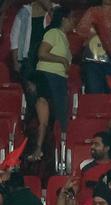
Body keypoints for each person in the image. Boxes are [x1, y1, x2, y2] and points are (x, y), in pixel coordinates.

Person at [29, 6, 73, 162]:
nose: (73, 21)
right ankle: (39, 149)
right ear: (64, 19)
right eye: (71, 18)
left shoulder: (64, 37)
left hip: (59, 79)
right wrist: (62, 60)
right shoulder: (53, 33)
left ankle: (54, 150)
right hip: (48, 77)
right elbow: (42, 53)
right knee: (47, 113)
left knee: (61, 116)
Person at [75, 0, 111, 93]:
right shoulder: (93, 11)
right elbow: (80, 30)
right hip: (94, 59)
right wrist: (96, 33)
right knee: (94, 94)